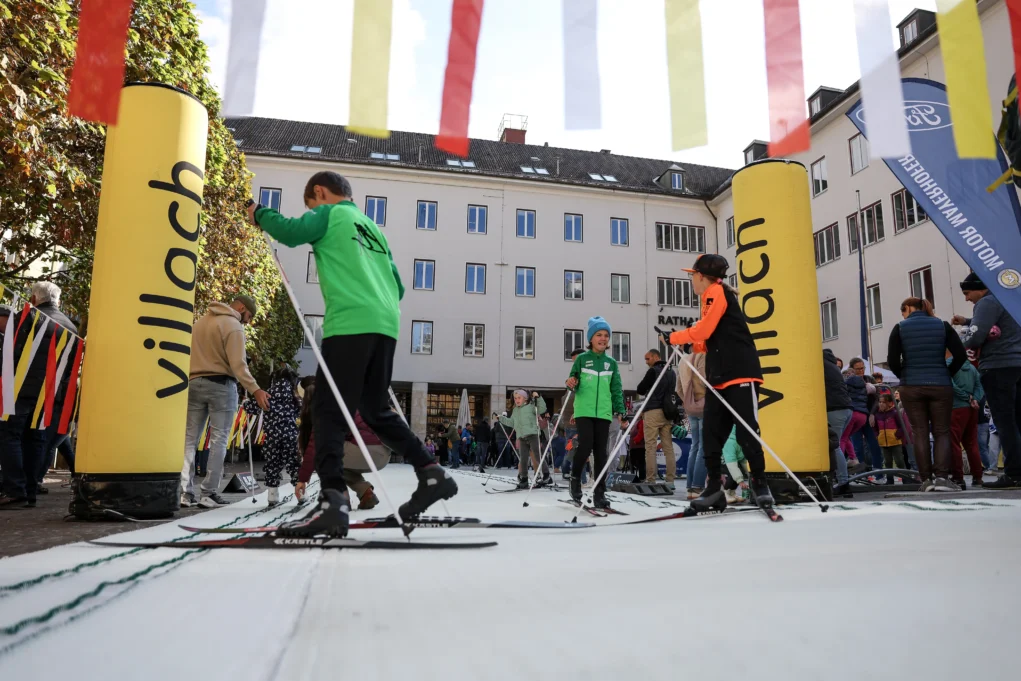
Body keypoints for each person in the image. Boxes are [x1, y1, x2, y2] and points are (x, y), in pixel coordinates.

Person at [251, 170, 456, 535]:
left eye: (310, 205)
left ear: (319, 193)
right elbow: (398, 286)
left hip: (350, 322)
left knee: (327, 410)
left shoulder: (329, 214)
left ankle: (333, 502)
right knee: (375, 409)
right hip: (386, 323)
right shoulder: (373, 227)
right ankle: (431, 473)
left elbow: (290, 232)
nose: (311, 211)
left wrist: (258, 214)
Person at [662, 254, 773, 511]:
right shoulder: (710, 297)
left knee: (747, 431)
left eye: (692, 274)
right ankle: (714, 489)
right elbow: (706, 340)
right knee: (711, 435)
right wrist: (686, 341)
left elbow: (705, 330)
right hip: (719, 377)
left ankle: (760, 484)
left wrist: (677, 337)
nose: (691, 279)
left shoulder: (715, 292)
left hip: (740, 373)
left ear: (701, 275)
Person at [179, 295, 267, 508]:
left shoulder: (200, 323)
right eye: (249, 317)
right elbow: (238, 366)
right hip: (221, 386)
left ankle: (184, 493)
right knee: (219, 440)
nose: (247, 321)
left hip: (194, 382)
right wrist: (255, 390)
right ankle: (208, 492)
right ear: (242, 307)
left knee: (190, 440)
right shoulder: (233, 326)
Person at [0, 282, 77, 509]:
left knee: (9, 435)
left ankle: (15, 490)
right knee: (36, 439)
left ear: (34, 298)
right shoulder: (70, 326)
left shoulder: (27, 319)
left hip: (20, 388)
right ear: (58, 300)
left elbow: (11, 353)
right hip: (49, 394)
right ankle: (30, 490)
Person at [887, 297, 967, 492]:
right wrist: (946, 374)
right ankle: (942, 478)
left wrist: (904, 376)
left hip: (911, 386)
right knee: (941, 432)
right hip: (940, 385)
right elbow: (961, 355)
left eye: (903, 311)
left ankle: (926, 481)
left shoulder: (900, 328)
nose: (903, 316)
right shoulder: (942, 325)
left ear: (907, 308)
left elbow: (893, 359)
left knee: (919, 432)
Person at [952, 272, 1021, 489]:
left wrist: (956, 345)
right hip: (1018, 364)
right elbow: (998, 323)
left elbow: (976, 336)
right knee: (1018, 421)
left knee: (1005, 422)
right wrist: (968, 320)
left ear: (980, 288)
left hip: (998, 366)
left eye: (967, 293)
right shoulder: (1010, 299)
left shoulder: (987, 301)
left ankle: (1015, 473)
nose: (967, 298)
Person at [565, 316, 625, 508]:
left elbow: (616, 388)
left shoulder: (611, 363)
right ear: (591, 338)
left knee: (601, 451)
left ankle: (600, 491)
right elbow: (572, 380)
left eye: (606, 335)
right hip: (584, 410)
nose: (603, 338)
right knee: (585, 446)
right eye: (599, 335)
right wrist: (570, 382)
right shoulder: (582, 359)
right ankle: (575, 483)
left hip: (604, 412)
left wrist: (620, 409)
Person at [295, 384, 383, 509]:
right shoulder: (341, 399)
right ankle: (365, 492)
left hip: (365, 449)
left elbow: (315, 448)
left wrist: (302, 479)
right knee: (340, 465)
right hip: (381, 452)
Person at [251, 367, 301, 506]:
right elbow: (301, 409)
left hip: (272, 437)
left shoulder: (267, 394)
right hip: (290, 436)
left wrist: (246, 404)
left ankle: (272, 495)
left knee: (272, 465)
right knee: (293, 465)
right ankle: (301, 494)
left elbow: (251, 407)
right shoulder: (294, 395)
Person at [637, 348, 678, 487]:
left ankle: (651, 479)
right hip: (667, 412)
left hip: (653, 411)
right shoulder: (672, 372)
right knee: (668, 447)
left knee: (650, 446)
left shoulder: (653, 371)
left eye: (647, 359)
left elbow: (640, 389)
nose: (646, 362)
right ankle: (670, 480)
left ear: (655, 357)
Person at [947, 347, 986, 489]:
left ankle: (958, 478)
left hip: (956, 407)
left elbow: (950, 384)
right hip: (971, 409)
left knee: (954, 443)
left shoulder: (949, 364)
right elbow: (979, 386)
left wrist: (966, 397)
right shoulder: (971, 367)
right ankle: (978, 477)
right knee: (971, 443)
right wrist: (974, 399)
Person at [499, 390, 549, 488]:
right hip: (521, 436)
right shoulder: (515, 410)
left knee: (538, 456)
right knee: (523, 459)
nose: (517, 400)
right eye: (515, 398)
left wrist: (538, 397)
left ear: (525, 398)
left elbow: (542, 409)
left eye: (519, 398)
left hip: (532, 434)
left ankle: (546, 475)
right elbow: (512, 423)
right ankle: (524, 479)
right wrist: (501, 418)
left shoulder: (531, 406)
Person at [678, 349, 707, 500]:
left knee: (695, 446)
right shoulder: (702, 356)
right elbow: (704, 380)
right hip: (704, 405)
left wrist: (688, 401)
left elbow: (678, 388)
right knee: (704, 446)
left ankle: (690, 487)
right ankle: (697, 486)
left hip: (690, 407)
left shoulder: (682, 360)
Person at [823, 348, 853, 496]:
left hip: (835, 409)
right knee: (837, 444)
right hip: (846, 409)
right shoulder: (833, 366)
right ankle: (840, 480)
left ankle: (843, 483)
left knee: (835, 446)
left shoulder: (820, 364)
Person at [874, 394, 910, 484]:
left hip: (895, 441)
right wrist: (877, 435)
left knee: (899, 461)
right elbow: (875, 428)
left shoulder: (895, 413)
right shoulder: (877, 415)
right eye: (880, 402)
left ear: (890, 403)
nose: (881, 404)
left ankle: (906, 479)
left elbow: (902, 426)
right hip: (883, 442)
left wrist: (897, 435)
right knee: (887, 462)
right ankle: (890, 480)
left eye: (884, 402)